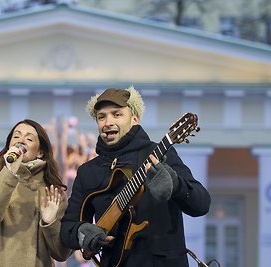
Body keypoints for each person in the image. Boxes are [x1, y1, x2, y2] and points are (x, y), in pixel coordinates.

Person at [60, 86, 211, 266]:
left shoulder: (159, 155)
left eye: (117, 114)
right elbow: (67, 228)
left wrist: (176, 185)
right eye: (102, 116)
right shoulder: (88, 171)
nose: (108, 122)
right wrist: (82, 232)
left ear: (135, 119)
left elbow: (201, 204)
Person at [0, 119, 72, 267]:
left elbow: (61, 253)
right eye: (16, 137)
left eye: (29, 138)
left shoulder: (52, 193)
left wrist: (50, 223)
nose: (21, 141)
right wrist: (9, 174)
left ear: (40, 153)